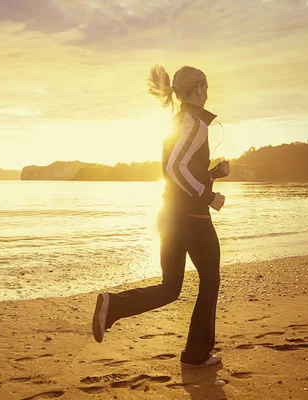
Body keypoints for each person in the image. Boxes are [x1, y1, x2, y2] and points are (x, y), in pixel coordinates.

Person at [91, 65, 230, 368]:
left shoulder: (179, 123)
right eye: (205, 87)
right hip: (192, 218)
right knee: (210, 280)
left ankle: (112, 306)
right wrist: (209, 196)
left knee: (170, 287)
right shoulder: (195, 123)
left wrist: (212, 175)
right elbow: (175, 170)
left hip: (170, 214)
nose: (208, 93)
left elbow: (181, 172)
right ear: (197, 89)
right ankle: (196, 355)